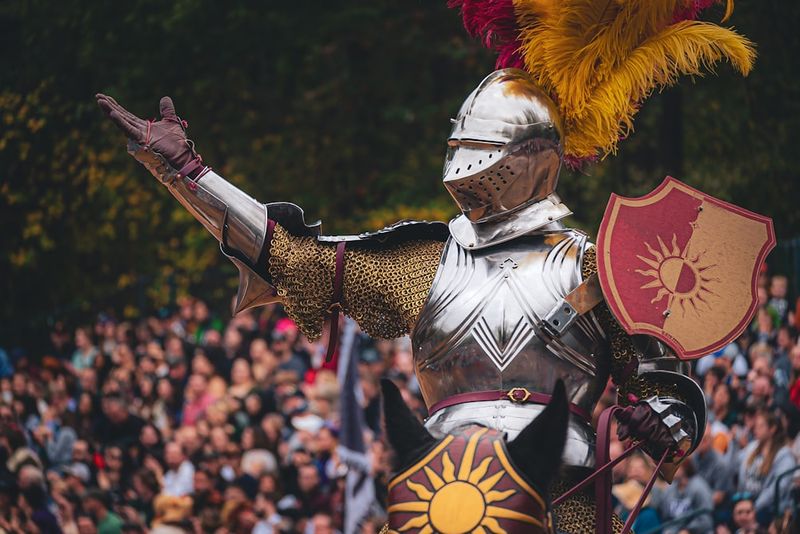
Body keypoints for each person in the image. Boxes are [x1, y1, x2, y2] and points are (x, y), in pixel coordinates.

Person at [735, 409, 796, 526]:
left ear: (772, 429)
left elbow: (778, 489)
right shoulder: (752, 447)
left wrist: (754, 507)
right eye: (756, 425)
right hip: (746, 501)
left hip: (768, 509)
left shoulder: (784, 455)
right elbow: (733, 465)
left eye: (760, 426)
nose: (755, 429)